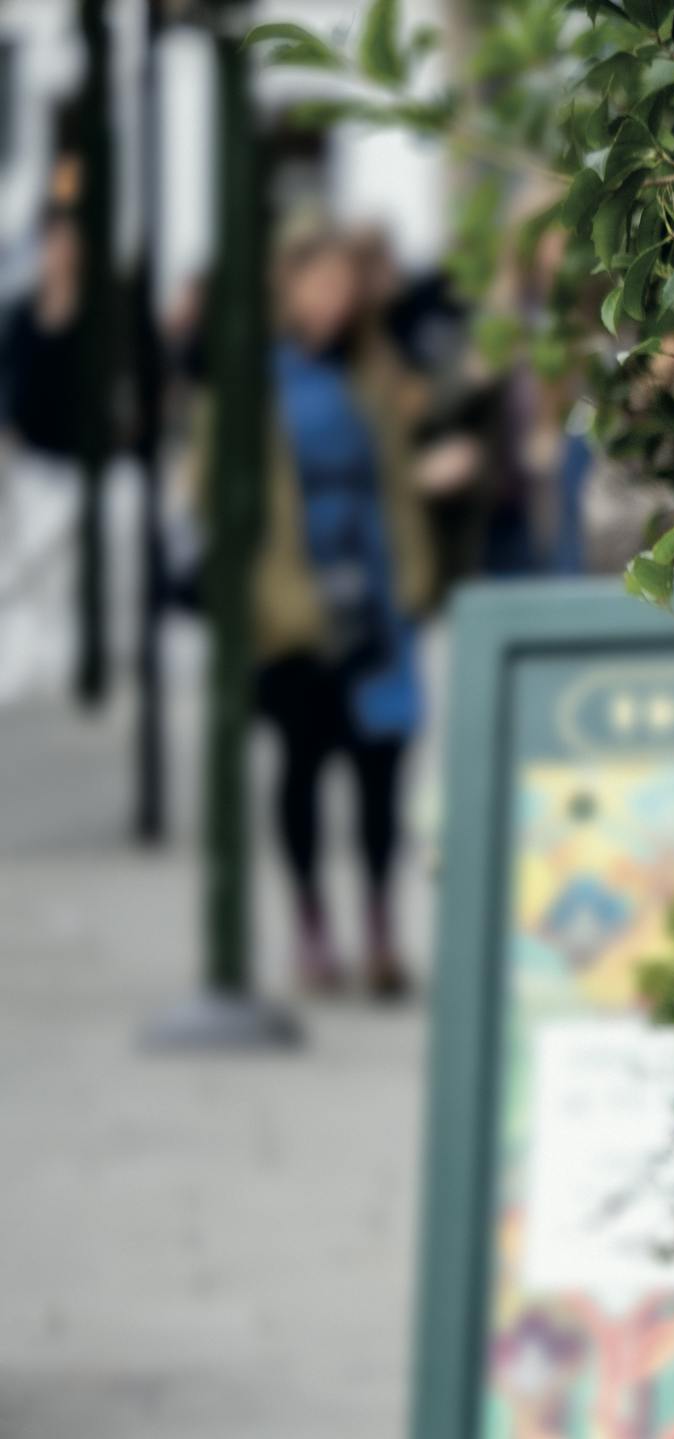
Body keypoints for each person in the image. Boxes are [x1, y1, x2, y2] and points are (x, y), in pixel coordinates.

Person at [251, 223, 459, 998]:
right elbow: (225, 492)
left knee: (382, 766)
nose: (335, 298)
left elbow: (397, 481)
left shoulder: (378, 368)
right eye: (321, 282)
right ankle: (311, 921)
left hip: (373, 593)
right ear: (292, 286)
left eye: (346, 283)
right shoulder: (260, 377)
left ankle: (378, 924)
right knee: (302, 768)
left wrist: (413, 578)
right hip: (293, 598)